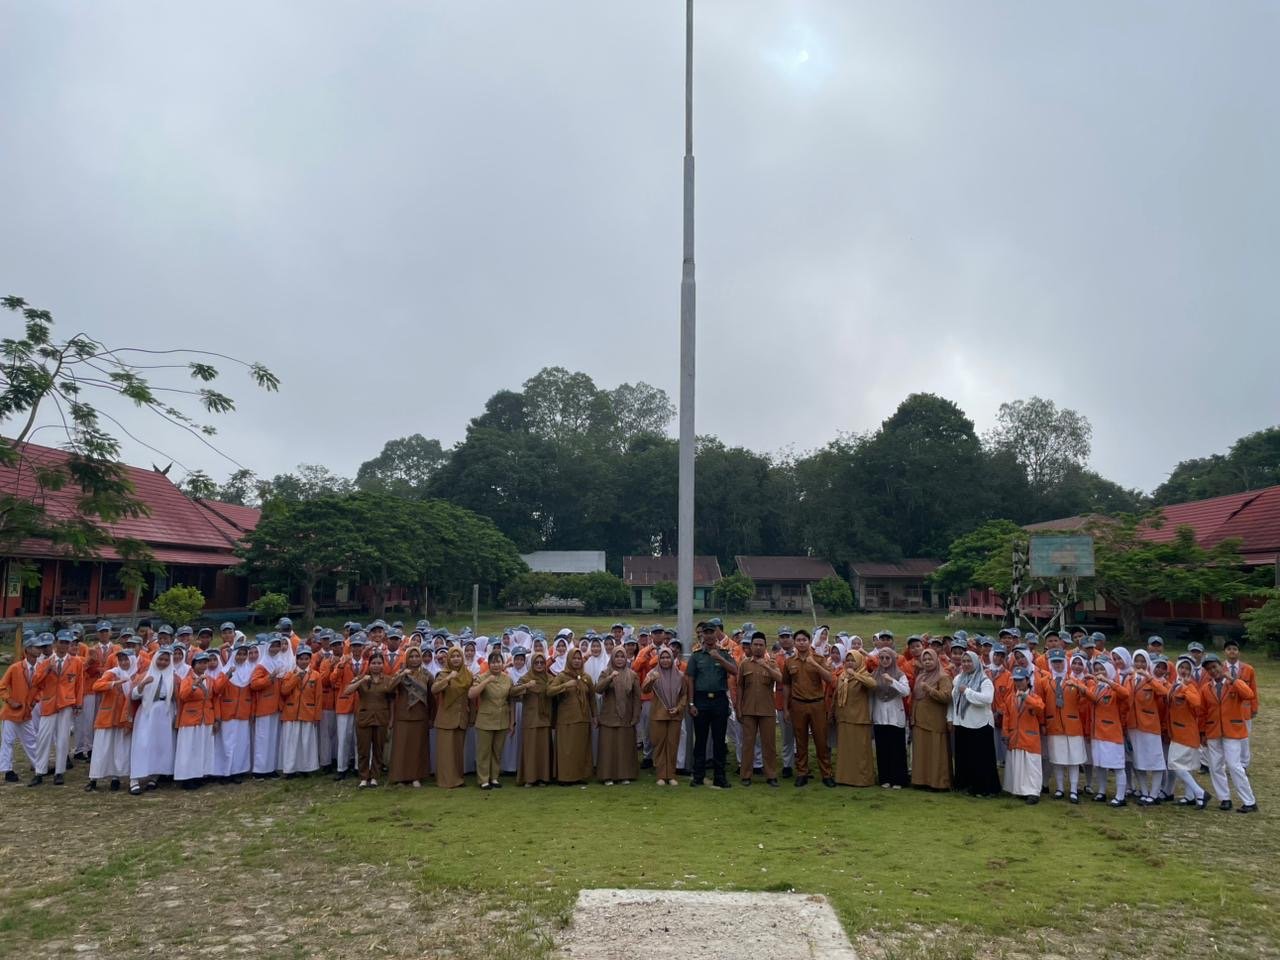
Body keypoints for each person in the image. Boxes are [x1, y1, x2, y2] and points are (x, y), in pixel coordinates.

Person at [1200, 653, 1258, 813]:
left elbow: (1249, 695)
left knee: (1234, 765)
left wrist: (1233, 680)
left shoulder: (1234, 684)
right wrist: (1202, 732)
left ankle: (1249, 801)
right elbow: (1203, 712)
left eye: (1214, 667)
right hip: (1213, 731)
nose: (1212, 671)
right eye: (1209, 669)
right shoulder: (1206, 688)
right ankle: (1224, 798)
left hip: (1232, 730)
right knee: (1216, 766)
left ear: (1221, 666)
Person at [685, 623, 737, 789]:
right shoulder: (696, 656)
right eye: (706, 633)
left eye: (711, 632)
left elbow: (735, 671)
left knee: (719, 740)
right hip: (701, 700)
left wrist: (720, 659)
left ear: (717, 634)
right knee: (700, 740)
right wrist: (691, 702)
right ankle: (698, 775)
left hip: (719, 699)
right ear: (702, 636)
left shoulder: (724, 653)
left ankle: (719, 776)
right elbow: (690, 679)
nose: (708, 636)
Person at [29, 631, 84, 787]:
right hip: (49, 703)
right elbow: (35, 681)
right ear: (55, 643)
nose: (64, 645)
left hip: (66, 703)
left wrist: (78, 703)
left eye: (67, 642)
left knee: (63, 738)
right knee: (43, 737)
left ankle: (59, 772)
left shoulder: (76, 662)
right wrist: (48, 670)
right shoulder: (46, 662)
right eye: (62, 642)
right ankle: (40, 771)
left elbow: (79, 684)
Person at [783, 628, 835, 789]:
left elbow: (830, 679)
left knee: (821, 740)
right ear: (794, 642)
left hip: (817, 703)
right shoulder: (790, 661)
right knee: (800, 740)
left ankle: (826, 773)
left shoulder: (818, 659)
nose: (801, 643)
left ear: (809, 641)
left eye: (804, 640)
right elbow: (786, 684)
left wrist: (815, 665)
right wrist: (786, 708)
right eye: (798, 640)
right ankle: (802, 773)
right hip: (798, 704)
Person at [949, 651, 1001, 796]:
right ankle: (966, 785)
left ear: (976, 663)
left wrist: (968, 692)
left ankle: (985, 788)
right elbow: (954, 699)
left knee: (981, 759)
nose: (965, 664)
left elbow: (987, 699)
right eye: (964, 661)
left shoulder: (984, 680)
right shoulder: (959, 678)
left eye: (969, 661)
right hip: (963, 723)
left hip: (980, 724)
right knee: (965, 757)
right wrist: (952, 718)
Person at [1042, 648, 1089, 802]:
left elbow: (1086, 699)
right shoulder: (1045, 682)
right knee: (1057, 759)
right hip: (1054, 725)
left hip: (1073, 726)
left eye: (1060, 662)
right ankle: (1060, 788)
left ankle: (1074, 789)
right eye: (1054, 662)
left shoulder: (1075, 681)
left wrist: (1080, 687)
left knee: (1074, 760)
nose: (1058, 665)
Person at [84, 648, 134, 792]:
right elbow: (96, 686)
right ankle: (93, 779)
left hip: (121, 719)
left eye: (126, 659)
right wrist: (113, 684)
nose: (124, 662)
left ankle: (115, 778)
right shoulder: (112, 673)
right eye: (121, 660)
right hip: (106, 717)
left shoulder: (135, 676)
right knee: (101, 749)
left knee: (119, 749)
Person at [735, 631, 781, 787]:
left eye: (761, 645)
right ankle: (746, 775)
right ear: (751, 646)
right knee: (748, 743)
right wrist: (739, 708)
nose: (758, 648)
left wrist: (766, 666)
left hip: (767, 710)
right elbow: (739, 686)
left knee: (769, 744)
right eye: (755, 645)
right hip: (748, 709)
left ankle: (771, 775)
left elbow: (780, 679)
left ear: (765, 647)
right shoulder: (744, 664)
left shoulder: (772, 663)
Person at [129, 646, 177, 795]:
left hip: (164, 713)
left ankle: (155, 776)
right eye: (160, 659)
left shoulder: (173, 677)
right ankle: (134, 778)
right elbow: (133, 696)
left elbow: (176, 698)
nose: (162, 662)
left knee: (160, 745)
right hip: (147, 713)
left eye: (166, 660)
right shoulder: (145, 674)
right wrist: (143, 684)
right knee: (142, 744)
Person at [347, 651, 396, 788]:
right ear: (369, 664)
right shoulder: (362, 678)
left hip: (381, 718)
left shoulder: (387, 680)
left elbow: (392, 701)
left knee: (378, 749)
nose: (376, 666)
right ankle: (364, 777)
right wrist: (361, 680)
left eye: (379, 663)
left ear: (383, 664)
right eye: (374, 663)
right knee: (363, 749)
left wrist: (391, 719)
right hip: (364, 718)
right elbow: (347, 691)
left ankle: (375, 776)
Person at [548, 648, 596, 784]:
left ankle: (580, 776)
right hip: (566, 720)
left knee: (580, 750)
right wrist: (565, 686)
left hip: (583, 718)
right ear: (569, 660)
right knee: (566, 750)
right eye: (574, 658)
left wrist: (594, 716)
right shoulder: (562, 676)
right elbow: (549, 691)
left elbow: (592, 697)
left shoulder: (586, 677)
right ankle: (565, 777)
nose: (576, 661)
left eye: (579, 658)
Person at [641, 645, 688, 786]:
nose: (665, 660)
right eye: (663, 657)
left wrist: (679, 708)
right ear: (659, 659)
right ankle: (661, 775)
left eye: (668, 657)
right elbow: (644, 689)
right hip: (658, 715)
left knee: (673, 745)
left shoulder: (680, 675)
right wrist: (651, 680)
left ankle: (671, 775)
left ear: (672, 659)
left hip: (675, 715)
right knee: (659, 745)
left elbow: (684, 695)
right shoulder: (653, 673)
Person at [1087, 658, 1130, 807]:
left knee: (1117, 765)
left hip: (1111, 732)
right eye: (1096, 669)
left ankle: (1120, 796)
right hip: (1096, 732)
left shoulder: (1114, 687)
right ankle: (1102, 791)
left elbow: (1126, 695)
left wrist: (1108, 681)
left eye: (1102, 669)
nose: (1099, 672)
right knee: (1099, 764)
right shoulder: (1095, 687)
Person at [595, 647, 641, 785]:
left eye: (622, 656)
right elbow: (598, 689)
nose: (620, 659)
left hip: (626, 717)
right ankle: (607, 776)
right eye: (617, 656)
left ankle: (624, 775)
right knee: (608, 748)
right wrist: (610, 678)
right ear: (612, 658)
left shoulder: (632, 675)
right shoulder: (606, 672)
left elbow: (637, 697)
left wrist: (635, 715)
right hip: (609, 717)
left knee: (624, 747)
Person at [1166, 655, 1207, 808]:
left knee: (1175, 764)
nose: (1184, 671)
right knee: (1185, 765)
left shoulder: (1190, 685)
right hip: (1175, 730)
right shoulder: (1174, 684)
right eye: (1182, 667)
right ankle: (1190, 796)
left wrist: (1185, 687)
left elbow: (1197, 703)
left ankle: (1199, 792)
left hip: (1186, 732)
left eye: (1187, 668)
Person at [1128, 649, 1169, 805]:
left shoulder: (1152, 680)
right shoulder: (1129, 679)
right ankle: (1144, 792)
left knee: (1156, 760)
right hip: (1133, 725)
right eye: (1137, 661)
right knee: (1138, 761)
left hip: (1150, 726)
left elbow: (1164, 692)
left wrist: (1149, 678)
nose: (1139, 664)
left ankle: (1154, 793)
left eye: (1143, 661)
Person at [388, 646, 433, 787]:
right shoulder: (401, 673)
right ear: (407, 658)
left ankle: (416, 777)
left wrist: (432, 717)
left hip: (420, 716)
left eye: (417, 656)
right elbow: (389, 688)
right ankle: (400, 777)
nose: (414, 659)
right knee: (401, 748)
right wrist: (401, 675)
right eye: (411, 657)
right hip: (403, 716)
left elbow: (432, 698)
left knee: (417, 748)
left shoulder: (427, 675)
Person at [471, 649, 515, 789]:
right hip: (485, 720)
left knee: (497, 751)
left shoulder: (507, 678)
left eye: (498, 662)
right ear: (488, 664)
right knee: (484, 752)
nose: (496, 665)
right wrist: (486, 682)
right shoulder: (482, 677)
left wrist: (512, 721)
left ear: (503, 663)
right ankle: (483, 780)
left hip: (502, 718)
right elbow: (471, 694)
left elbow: (511, 700)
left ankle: (494, 777)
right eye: (493, 662)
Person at [0, 635, 42, 783]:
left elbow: (41, 689)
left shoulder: (40, 669)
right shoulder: (15, 668)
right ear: (28, 650)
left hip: (26, 713)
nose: (40, 650)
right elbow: (2, 686)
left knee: (32, 740)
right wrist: (9, 700)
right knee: (8, 741)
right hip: (11, 712)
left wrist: (34, 701)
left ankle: (39, 766)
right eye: (37, 647)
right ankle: (8, 770)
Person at [909, 648, 952, 791]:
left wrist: (930, 690)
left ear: (936, 660)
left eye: (930, 659)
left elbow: (947, 697)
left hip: (935, 720)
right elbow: (915, 697)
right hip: (920, 720)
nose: (927, 662)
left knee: (935, 751)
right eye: (924, 660)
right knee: (922, 751)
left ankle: (938, 782)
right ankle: (921, 781)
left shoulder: (943, 676)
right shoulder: (921, 676)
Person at [833, 649, 876, 787]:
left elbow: (873, 684)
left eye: (853, 660)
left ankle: (862, 779)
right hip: (844, 718)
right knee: (846, 751)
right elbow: (836, 695)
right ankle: (844, 778)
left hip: (859, 719)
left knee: (860, 751)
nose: (850, 663)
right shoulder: (842, 676)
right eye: (848, 660)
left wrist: (856, 675)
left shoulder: (864, 675)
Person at [174, 652, 218, 789]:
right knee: (189, 749)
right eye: (200, 663)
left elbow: (212, 699)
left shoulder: (210, 680)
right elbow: (183, 696)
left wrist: (216, 719)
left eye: (205, 662)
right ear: (194, 665)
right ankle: (186, 777)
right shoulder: (187, 679)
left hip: (206, 718)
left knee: (202, 748)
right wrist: (194, 685)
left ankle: (199, 774)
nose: (203, 665)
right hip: (190, 719)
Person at [279, 646, 323, 778]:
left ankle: (306, 768)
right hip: (291, 713)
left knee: (306, 742)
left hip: (307, 712)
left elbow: (319, 696)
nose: (304, 662)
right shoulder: (289, 674)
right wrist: (296, 678)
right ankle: (290, 769)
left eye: (306, 659)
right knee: (291, 743)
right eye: (301, 659)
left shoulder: (315, 675)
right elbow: (284, 691)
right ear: (296, 660)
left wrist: (317, 715)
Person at [1002, 667, 1045, 803]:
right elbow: (1006, 716)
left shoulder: (1034, 696)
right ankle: (1020, 790)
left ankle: (1033, 792)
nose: (1018, 683)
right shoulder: (1010, 697)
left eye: (1021, 680)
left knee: (1031, 766)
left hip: (1030, 737)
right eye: (1016, 680)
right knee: (1017, 764)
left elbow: (1040, 708)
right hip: (1015, 736)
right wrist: (1005, 733)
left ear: (1027, 680)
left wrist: (1026, 697)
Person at [431, 647, 472, 788]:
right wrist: (449, 678)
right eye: (453, 656)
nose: (456, 658)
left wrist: (471, 717)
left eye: (458, 656)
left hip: (461, 718)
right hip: (446, 718)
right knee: (446, 752)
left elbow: (470, 698)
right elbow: (434, 690)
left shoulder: (468, 675)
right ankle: (446, 781)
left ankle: (458, 779)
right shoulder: (443, 674)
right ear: (448, 659)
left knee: (458, 752)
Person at [511, 651, 554, 786]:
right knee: (530, 750)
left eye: (542, 662)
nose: (540, 665)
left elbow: (555, 691)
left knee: (543, 750)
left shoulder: (549, 678)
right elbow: (512, 692)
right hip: (530, 719)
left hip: (545, 717)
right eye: (536, 662)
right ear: (532, 664)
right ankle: (530, 778)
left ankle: (543, 778)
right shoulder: (526, 678)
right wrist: (526, 686)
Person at [870, 647, 910, 788]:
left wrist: (892, 681)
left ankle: (899, 779)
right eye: (882, 658)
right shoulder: (875, 674)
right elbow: (871, 695)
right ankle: (885, 778)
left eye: (888, 658)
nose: (885, 661)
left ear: (893, 659)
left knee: (897, 749)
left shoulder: (899, 674)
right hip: (879, 716)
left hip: (895, 716)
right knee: (882, 749)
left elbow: (906, 691)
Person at [215, 641, 254, 783]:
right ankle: (225, 772)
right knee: (227, 743)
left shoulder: (250, 671)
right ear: (234, 655)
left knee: (241, 743)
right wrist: (228, 676)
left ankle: (238, 771)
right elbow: (217, 690)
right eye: (239, 654)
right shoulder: (225, 671)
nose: (242, 657)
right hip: (228, 713)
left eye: (244, 654)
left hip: (243, 713)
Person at [249, 635, 286, 781]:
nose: (276, 648)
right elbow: (254, 684)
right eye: (273, 645)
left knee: (273, 738)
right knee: (263, 738)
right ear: (267, 647)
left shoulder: (279, 662)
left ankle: (270, 768)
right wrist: (270, 678)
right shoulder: (262, 664)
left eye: (278, 645)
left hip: (276, 706)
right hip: (264, 706)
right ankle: (259, 770)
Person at [1222, 639, 1258, 768]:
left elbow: (1253, 689)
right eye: (1229, 649)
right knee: (1227, 738)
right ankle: (1229, 764)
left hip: (1244, 709)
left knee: (1244, 738)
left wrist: (1254, 707)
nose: (1232, 651)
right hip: (1226, 710)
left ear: (1239, 652)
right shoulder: (1219, 668)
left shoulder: (1248, 669)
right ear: (1225, 652)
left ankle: (1243, 764)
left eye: (1235, 649)